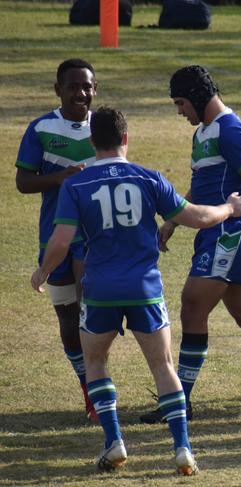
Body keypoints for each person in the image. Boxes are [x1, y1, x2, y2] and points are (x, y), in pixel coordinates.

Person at [31, 106, 241, 472]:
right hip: (145, 288)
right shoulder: (149, 179)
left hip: (101, 288)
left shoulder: (77, 184)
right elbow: (197, 217)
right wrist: (231, 209)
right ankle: (182, 448)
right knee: (163, 366)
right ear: (126, 138)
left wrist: (44, 270)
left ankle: (114, 442)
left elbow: (61, 240)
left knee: (96, 362)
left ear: (92, 142)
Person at [139, 65, 241, 423]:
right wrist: (171, 221)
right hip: (216, 231)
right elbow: (202, 186)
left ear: (197, 97)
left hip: (231, 233)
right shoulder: (204, 133)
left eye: (181, 103)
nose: (180, 111)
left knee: (193, 304)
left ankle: (179, 401)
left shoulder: (231, 130)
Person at [16, 58, 99, 422]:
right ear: (58, 90)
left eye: (88, 86)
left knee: (89, 312)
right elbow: (23, 182)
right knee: (66, 315)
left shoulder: (106, 128)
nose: (82, 93)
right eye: (74, 87)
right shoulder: (40, 129)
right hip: (54, 235)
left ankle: (99, 392)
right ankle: (88, 389)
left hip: (91, 236)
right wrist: (61, 177)